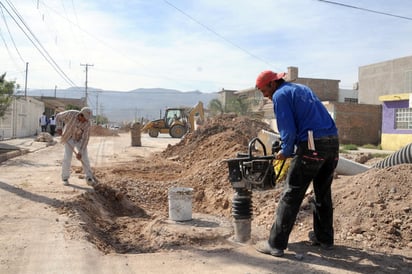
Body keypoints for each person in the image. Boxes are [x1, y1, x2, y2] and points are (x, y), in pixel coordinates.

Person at [254, 70, 339, 257]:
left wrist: (285, 151)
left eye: (264, 91)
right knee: (323, 192)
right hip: (332, 143)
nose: (265, 95)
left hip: (312, 144)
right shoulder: (300, 89)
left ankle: (275, 244)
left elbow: (288, 128)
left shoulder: (280, 95)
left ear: (272, 84)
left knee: (291, 192)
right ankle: (324, 239)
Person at [55, 107, 96, 186]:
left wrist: (80, 152)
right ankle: (65, 178)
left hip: (79, 139)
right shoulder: (71, 114)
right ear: (81, 115)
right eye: (85, 118)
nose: (86, 120)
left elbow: (85, 139)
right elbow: (58, 116)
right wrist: (59, 127)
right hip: (68, 137)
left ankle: (89, 177)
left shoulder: (87, 124)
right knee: (67, 157)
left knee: (85, 157)